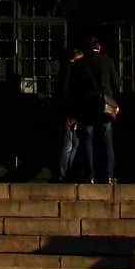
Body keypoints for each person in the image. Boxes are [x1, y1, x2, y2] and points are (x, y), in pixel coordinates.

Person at [70, 35, 120, 183]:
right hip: (104, 104)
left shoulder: (79, 64)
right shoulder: (107, 61)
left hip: (86, 105)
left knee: (87, 140)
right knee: (106, 141)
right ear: (99, 47)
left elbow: (74, 88)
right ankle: (108, 175)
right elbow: (117, 83)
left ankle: (89, 175)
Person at [53, 44, 84, 179]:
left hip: (68, 112)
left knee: (71, 144)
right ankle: (63, 173)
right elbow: (67, 94)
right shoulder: (70, 71)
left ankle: (65, 172)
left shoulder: (65, 71)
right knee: (69, 145)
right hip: (69, 113)